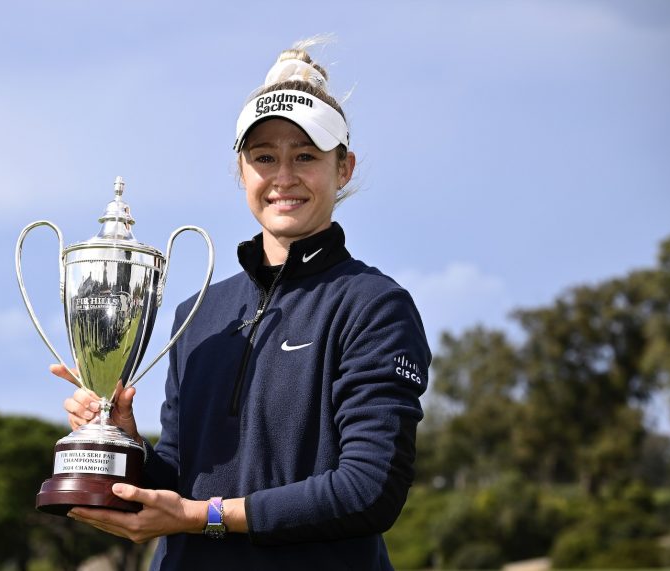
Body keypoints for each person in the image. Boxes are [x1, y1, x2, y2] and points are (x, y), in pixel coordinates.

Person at [52, 38, 430, 570]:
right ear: (241, 170)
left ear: (343, 168)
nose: (283, 177)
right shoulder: (198, 312)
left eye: (306, 157)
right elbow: (179, 476)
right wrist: (124, 442)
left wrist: (204, 516)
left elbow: (368, 489)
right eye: (264, 158)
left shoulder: (374, 306)